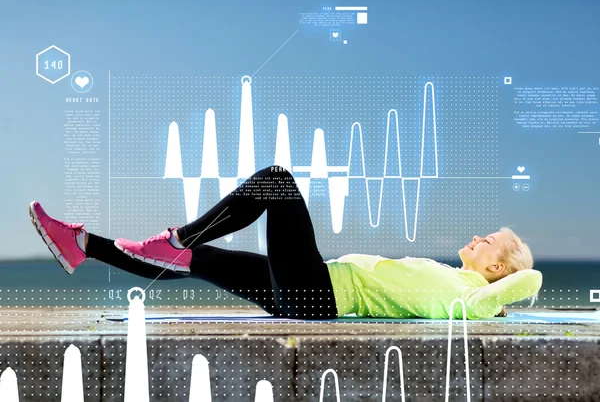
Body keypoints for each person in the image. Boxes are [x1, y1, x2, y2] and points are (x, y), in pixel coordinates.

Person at [29, 165, 542, 320]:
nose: (478, 237)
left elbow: (527, 281)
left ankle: (179, 236)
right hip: (305, 291)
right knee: (199, 262)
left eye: (490, 240)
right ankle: (83, 246)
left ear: (500, 269)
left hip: (318, 293)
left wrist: (514, 280)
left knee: (276, 180)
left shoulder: (471, 297)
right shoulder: (459, 283)